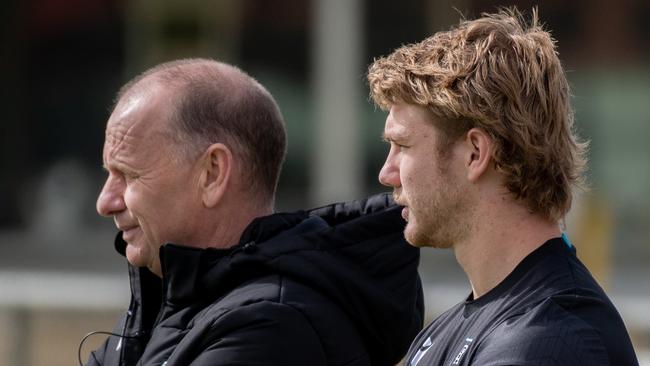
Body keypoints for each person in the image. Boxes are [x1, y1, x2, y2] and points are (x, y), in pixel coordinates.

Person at [85, 58, 423, 366]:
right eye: (108, 174)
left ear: (212, 173)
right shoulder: (168, 301)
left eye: (129, 175)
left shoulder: (273, 324)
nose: (106, 202)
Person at [367, 8, 638, 366]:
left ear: (475, 153)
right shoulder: (451, 330)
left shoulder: (551, 338)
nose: (387, 173)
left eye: (402, 146)